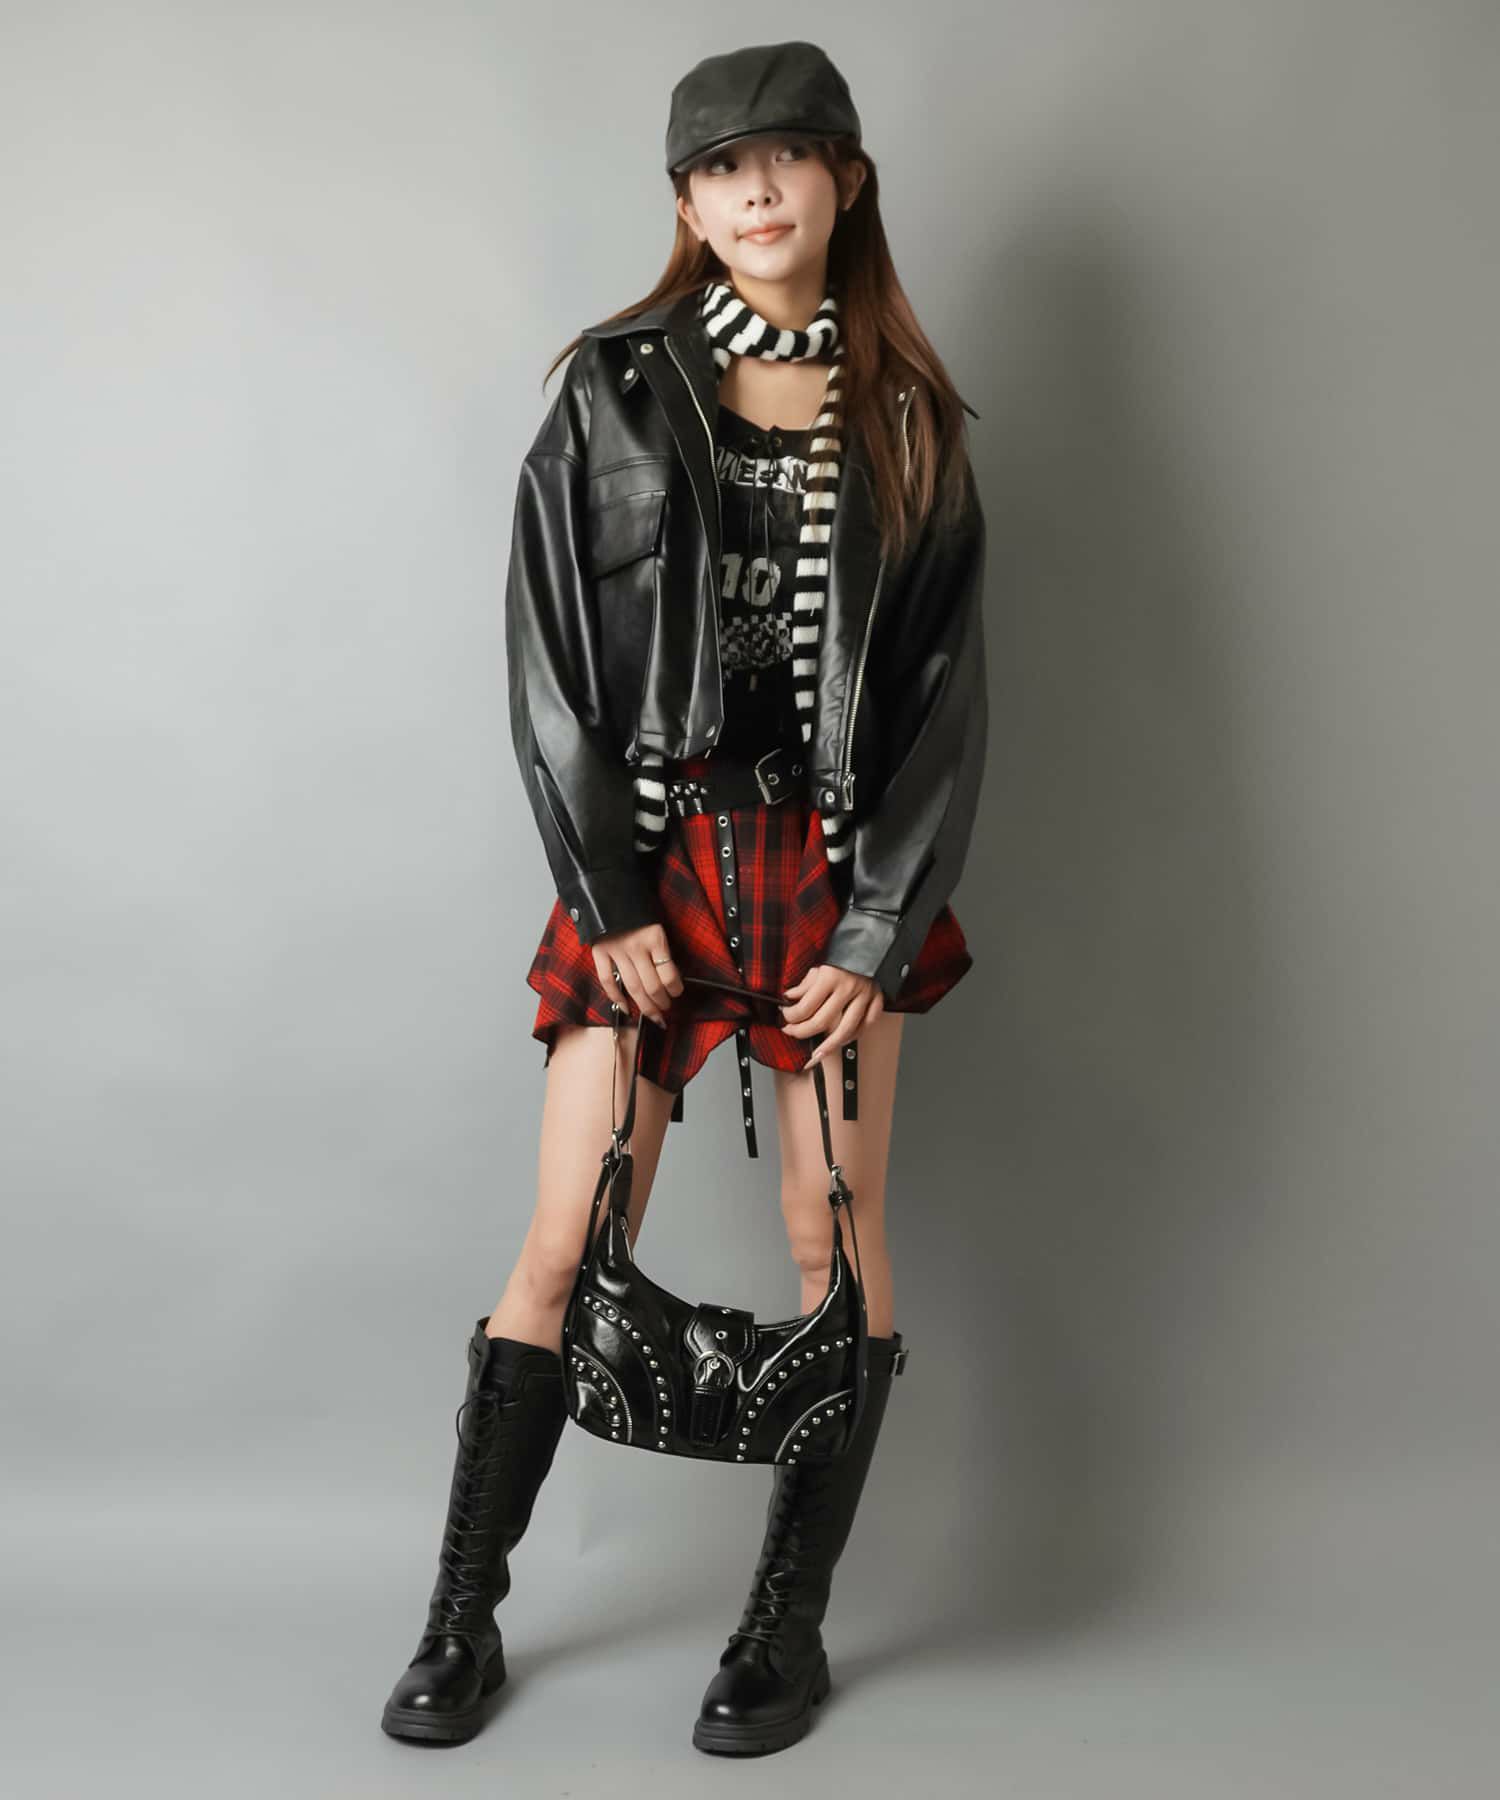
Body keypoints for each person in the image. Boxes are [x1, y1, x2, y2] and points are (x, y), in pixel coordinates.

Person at [380, 39, 988, 1755]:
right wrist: (606, 891)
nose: (757, 190)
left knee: (831, 1236)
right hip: (650, 869)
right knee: (568, 1239)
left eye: (788, 157)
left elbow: (944, 701)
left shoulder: (909, 418)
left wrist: (876, 929)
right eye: (722, 168)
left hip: (828, 872)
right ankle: (460, 1618)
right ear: (686, 204)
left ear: (846, 180)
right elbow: (550, 660)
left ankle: (783, 1630)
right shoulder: (615, 390)